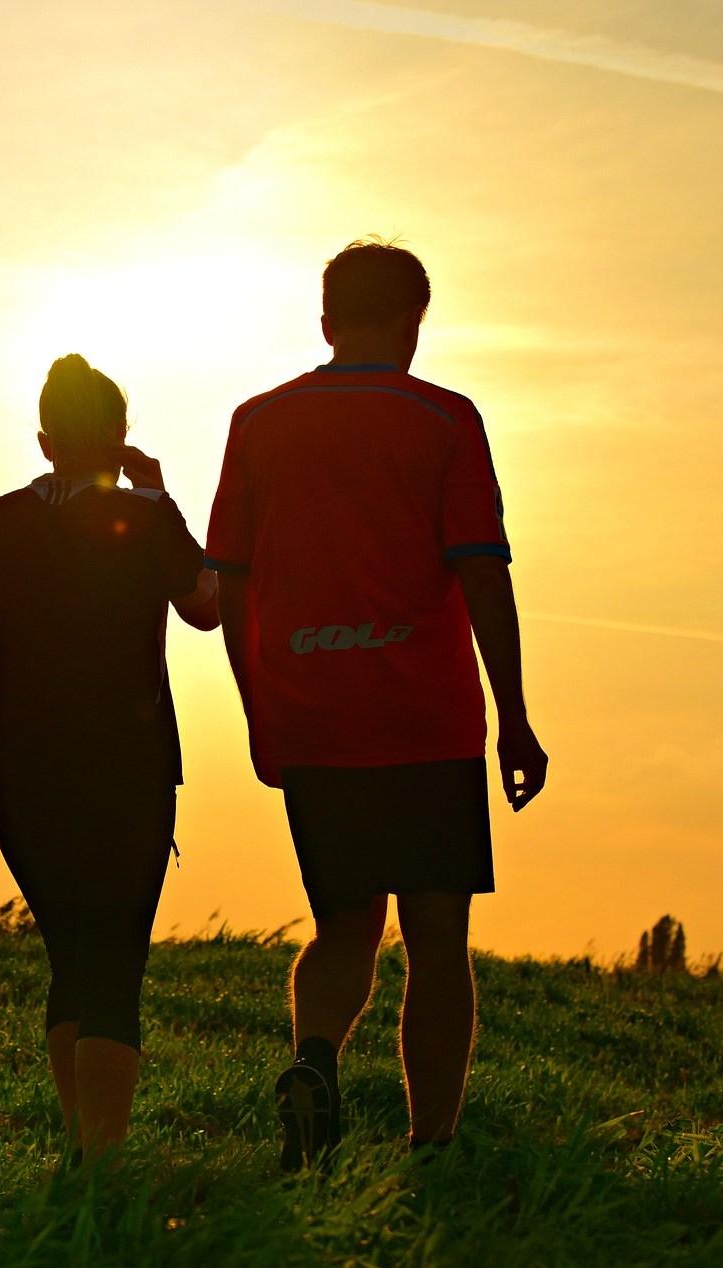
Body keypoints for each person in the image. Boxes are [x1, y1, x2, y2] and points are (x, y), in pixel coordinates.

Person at [205, 239, 547, 1170]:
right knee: (436, 939)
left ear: (326, 321)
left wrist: (258, 706)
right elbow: (481, 571)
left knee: (342, 924)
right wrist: (514, 715)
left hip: (312, 714)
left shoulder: (256, 422)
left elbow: (230, 582)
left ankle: (315, 1059)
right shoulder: (445, 419)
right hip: (426, 721)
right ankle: (430, 1144)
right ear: (412, 320)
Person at [0, 354, 218, 1165]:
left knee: (72, 955)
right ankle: (99, 1167)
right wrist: (162, 496)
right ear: (120, 437)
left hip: (19, 770)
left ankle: (82, 1152)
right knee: (114, 960)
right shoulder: (147, 517)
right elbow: (207, 608)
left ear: (44, 442)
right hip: (129, 766)